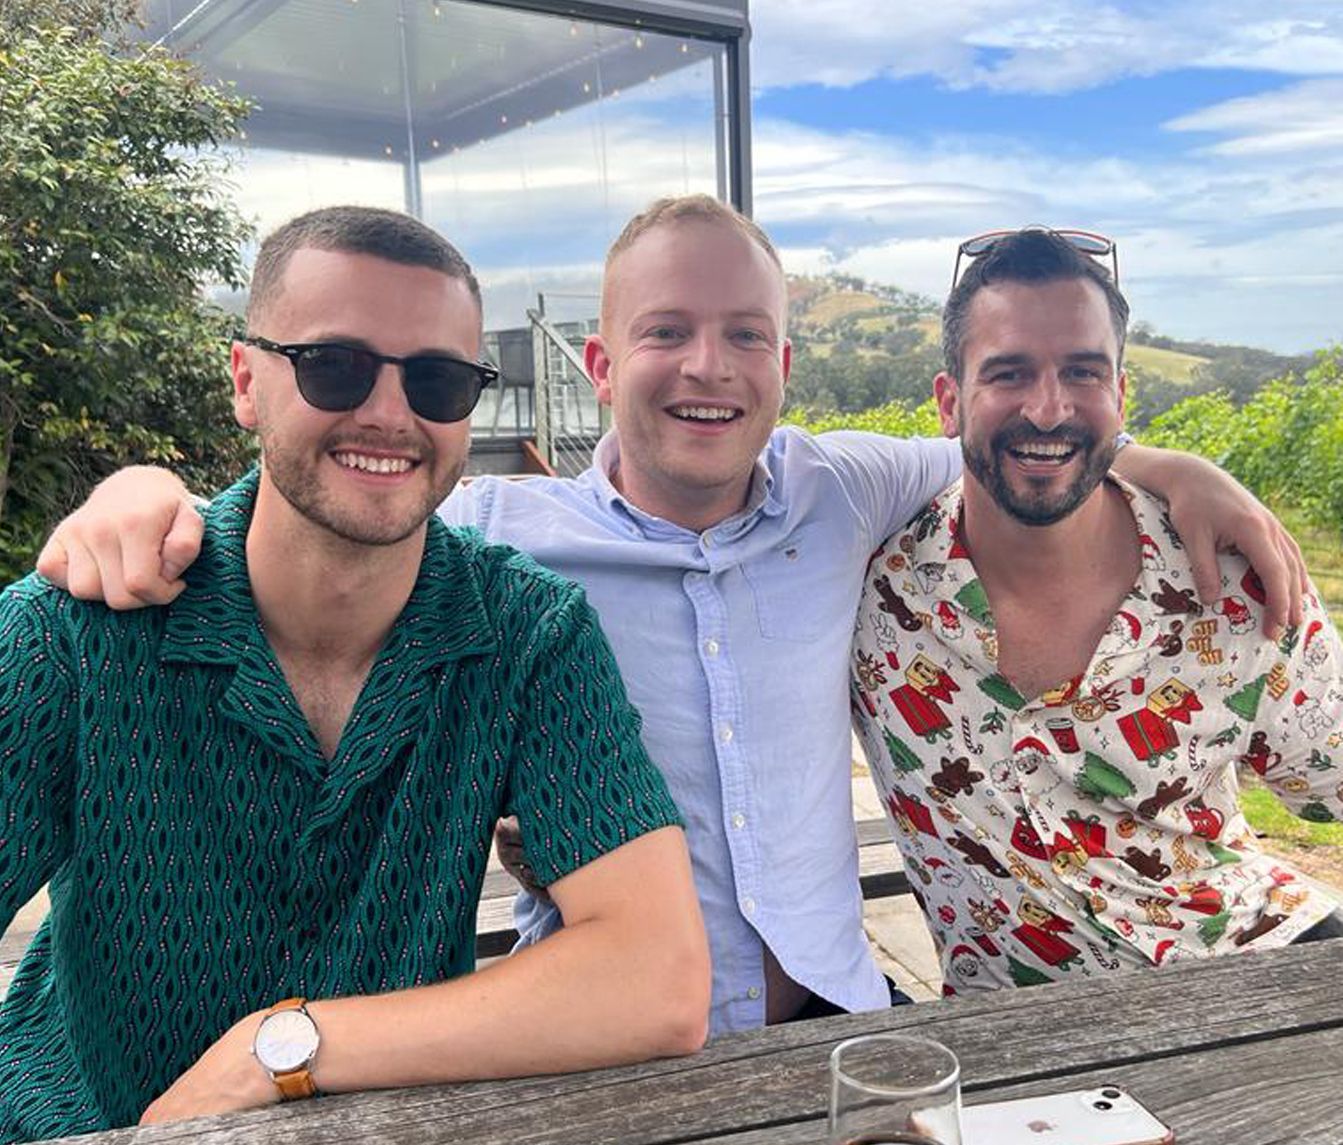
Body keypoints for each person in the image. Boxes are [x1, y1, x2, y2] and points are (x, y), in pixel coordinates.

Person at [35, 196, 1307, 1035]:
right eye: (666, 332)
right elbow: (330, 500)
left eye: (744, 334)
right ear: (598, 363)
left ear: (783, 368)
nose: (708, 366)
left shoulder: (839, 485)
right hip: (607, 1036)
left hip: (842, 1015)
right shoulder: (498, 551)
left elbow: (1020, 439)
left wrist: (1176, 466)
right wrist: (143, 498)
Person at [0, 206, 709, 1142]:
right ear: (245, 381)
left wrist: (279, 1047)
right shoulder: (77, 633)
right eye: (333, 364)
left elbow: (655, 979)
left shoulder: (525, 633)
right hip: (88, 1120)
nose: (388, 412)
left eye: (438, 379)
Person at [850, 227, 1343, 995]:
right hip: (1025, 1046)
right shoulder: (869, 586)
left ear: (1119, 395)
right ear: (947, 403)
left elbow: (1328, 778)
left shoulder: (1236, 574)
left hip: (1263, 975)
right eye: (1007, 373)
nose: (1047, 409)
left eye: (1081, 372)